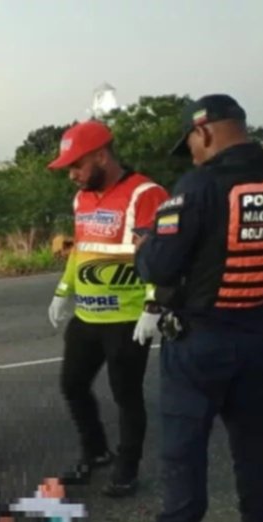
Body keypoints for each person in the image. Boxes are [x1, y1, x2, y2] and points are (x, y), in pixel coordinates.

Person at [115, 95, 263, 522]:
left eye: (192, 146)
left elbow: (161, 265)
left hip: (202, 339)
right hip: (259, 330)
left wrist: (145, 245)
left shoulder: (201, 186)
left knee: (184, 447)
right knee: (254, 441)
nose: (193, 156)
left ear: (204, 133)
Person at [46, 120, 170, 498]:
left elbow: (160, 256)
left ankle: (127, 468)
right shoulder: (83, 197)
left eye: (77, 165)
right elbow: (81, 250)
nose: (72, 175)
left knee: (126, 395)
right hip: (87, 316)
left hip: (126, 320)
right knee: (72, 384)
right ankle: (96, 451)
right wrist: (62, 291)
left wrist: (154, 305)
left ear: (102, 156)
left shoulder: (145, 194)